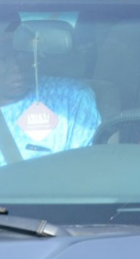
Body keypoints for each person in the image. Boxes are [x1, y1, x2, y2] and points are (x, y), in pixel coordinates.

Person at [0, 22, 101, 166]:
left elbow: (84, 169)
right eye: (3, 58)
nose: (16, 66)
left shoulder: (70, 96)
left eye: (21, 54)